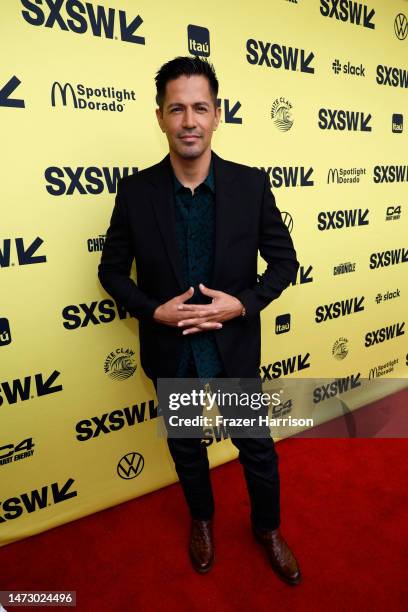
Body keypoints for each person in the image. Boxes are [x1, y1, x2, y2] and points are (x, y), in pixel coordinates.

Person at [98, 56, 301, 584]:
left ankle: (268, 529)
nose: (189, 120)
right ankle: (203, 521)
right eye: (177, 109)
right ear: (161, 117)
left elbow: (284, 264)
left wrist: (242, 303)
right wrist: (152, 309)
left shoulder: (251, 187)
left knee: (256, 450)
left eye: (200, 108)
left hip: (232, 352)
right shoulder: (135, 193)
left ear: (217, 115)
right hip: (175, 353)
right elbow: (112, 271)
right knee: (187, 450)